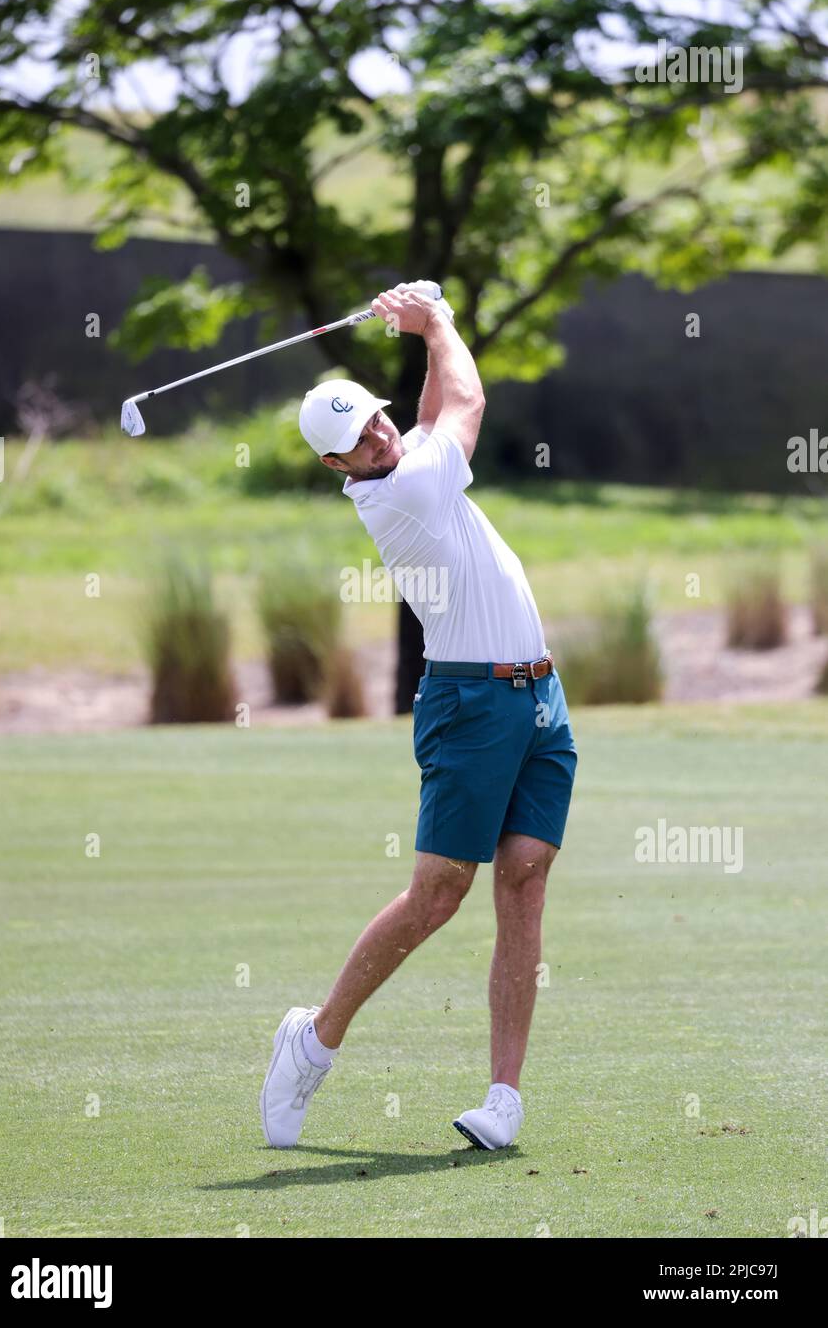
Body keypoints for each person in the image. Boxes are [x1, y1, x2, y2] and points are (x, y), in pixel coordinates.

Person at [260, 282, 577, 1151]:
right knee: (438, 894)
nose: (375, 433)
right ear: (337, 469)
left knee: (525, 879)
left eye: (372, 418)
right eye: (355, 439)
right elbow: (465, 401)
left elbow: (433, 409)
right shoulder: (402, 495)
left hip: (538, 697)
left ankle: (502, 1098)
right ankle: (314, 1038)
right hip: (470, 704)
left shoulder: (407, 459)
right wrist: (433, 319)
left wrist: (420, 324)